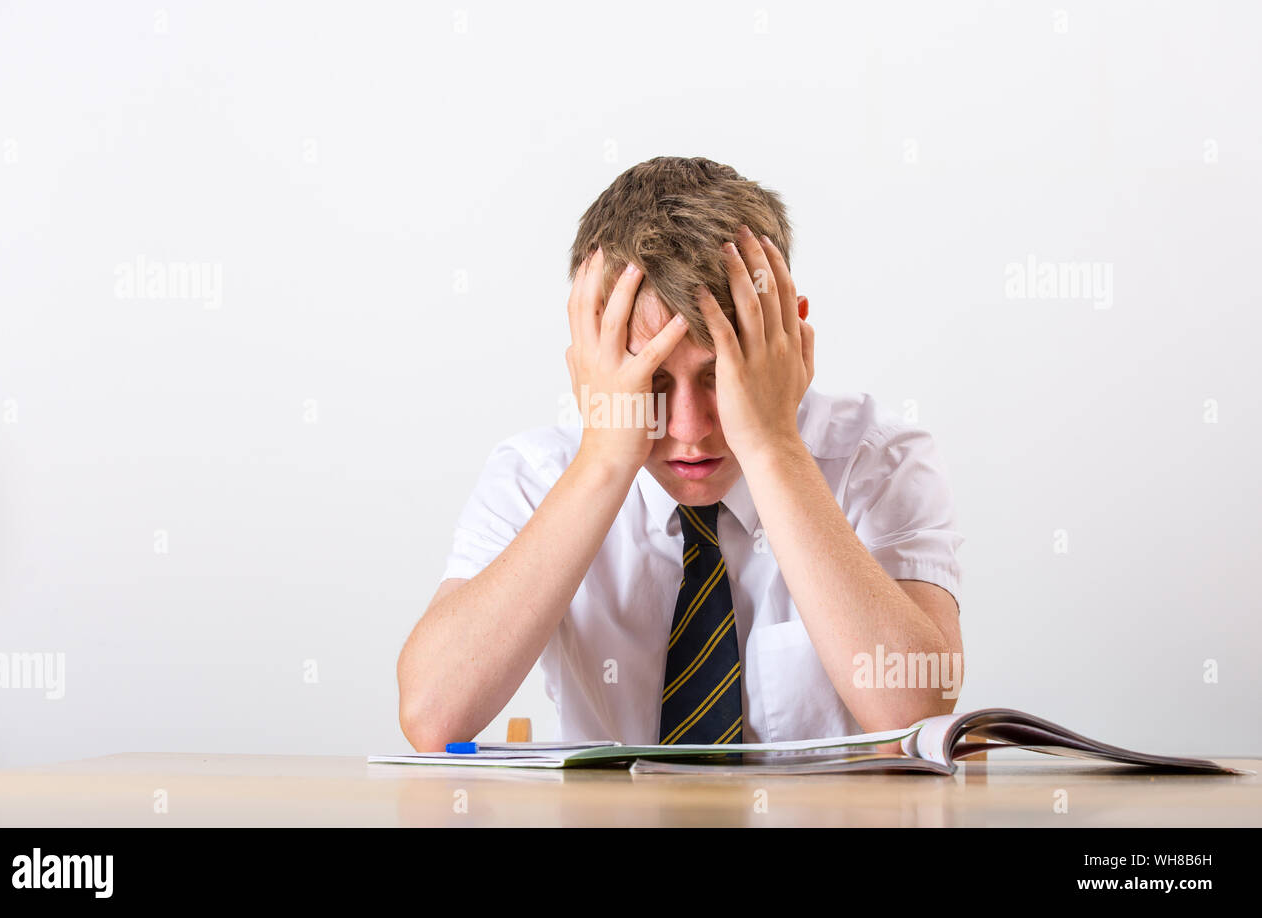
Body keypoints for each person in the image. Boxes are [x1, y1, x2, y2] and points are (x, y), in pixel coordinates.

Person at [398, 156, 964, 752]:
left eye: (722, 374)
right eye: (654, 384)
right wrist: (603, 463)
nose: (690, 430)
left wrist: (772, 446)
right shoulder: (534, 475)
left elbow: (914, 709)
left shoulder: (881, 460)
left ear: (789, 343)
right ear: (595, 364)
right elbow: (434, 717)